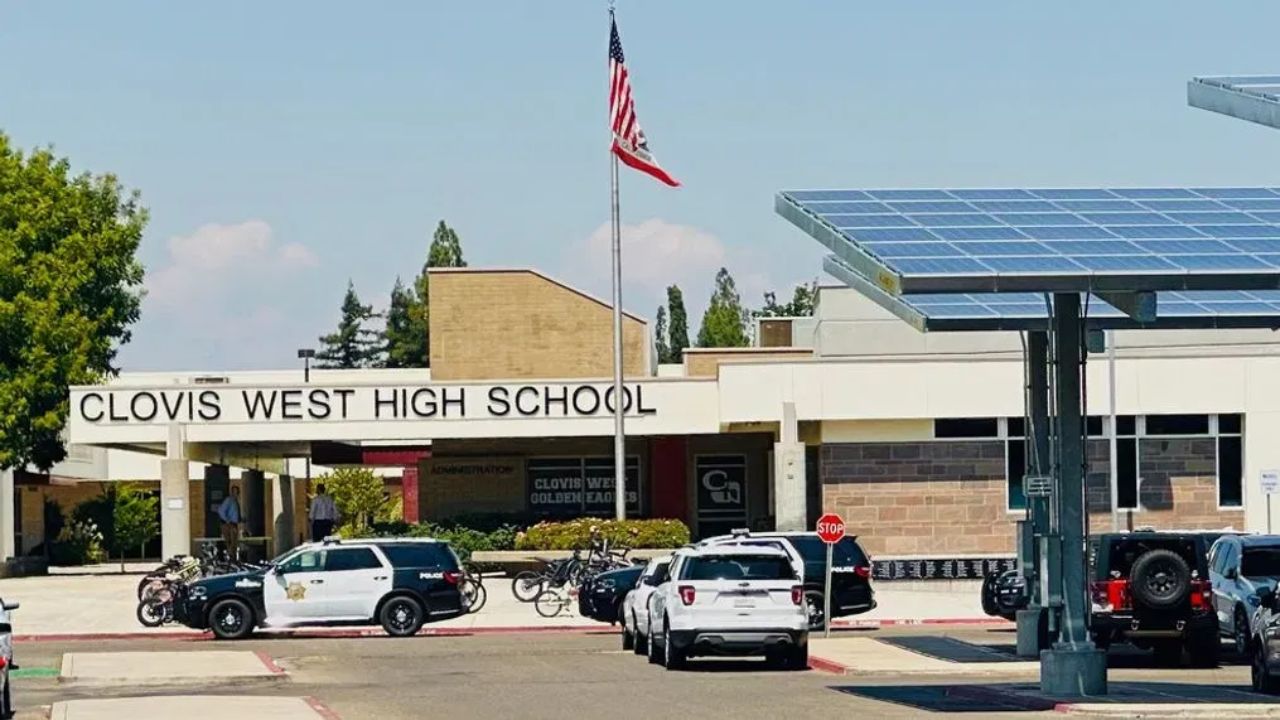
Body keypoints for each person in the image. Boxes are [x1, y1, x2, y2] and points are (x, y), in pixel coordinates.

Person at [217, 485, 242, 560]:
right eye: (234, 492)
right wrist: (227, 520)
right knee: (230, 544)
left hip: (234, 524)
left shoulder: (235, 501)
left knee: (233, 544)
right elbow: (221, 511)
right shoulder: (229, 500)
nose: (236, 494)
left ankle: (233, 559)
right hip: (229, 524)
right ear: (232, 492)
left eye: (237, 492)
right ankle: (230, 559)